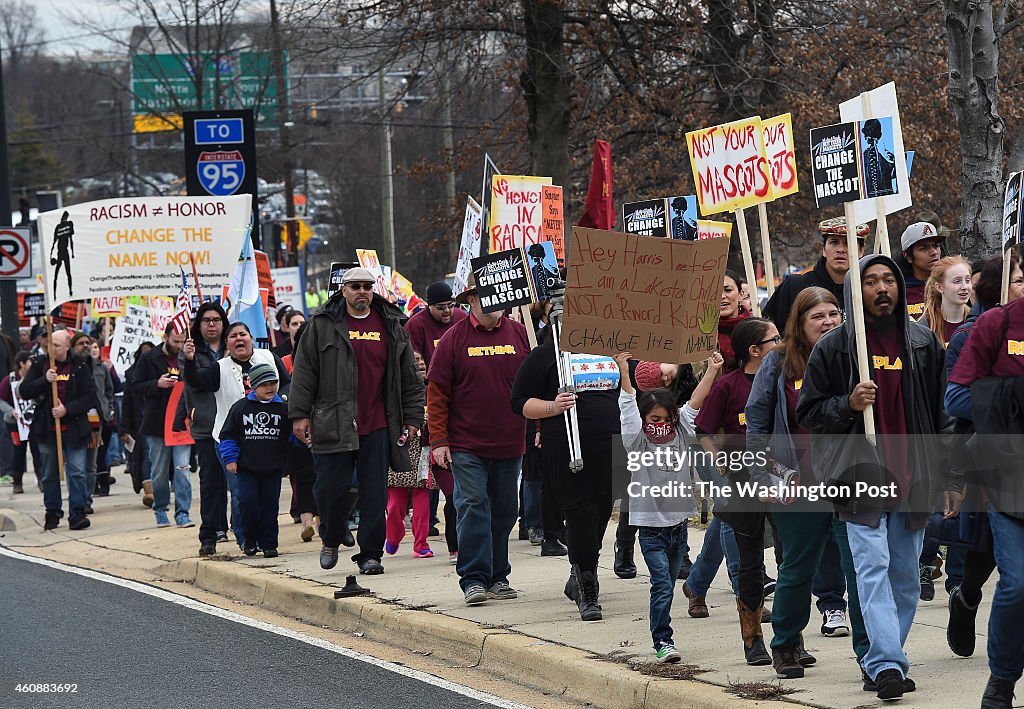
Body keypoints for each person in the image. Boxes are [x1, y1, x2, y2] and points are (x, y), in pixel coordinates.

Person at [797, 254, 959, 701]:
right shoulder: (835, 348)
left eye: (889, 279)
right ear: (855, 291)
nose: (882, 288)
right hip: (859, 476)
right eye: (870, 281)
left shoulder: (924, 344)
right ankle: (887, 663)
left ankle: (882, 657)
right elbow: (809, 413)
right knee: (872, 572)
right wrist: (846, 404)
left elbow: (944, 414)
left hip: (913, 474)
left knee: (905, 579)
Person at [744, 287, 862, 679]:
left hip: (848, 480)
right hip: (795, 481)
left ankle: (869, 652)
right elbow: (758, 423)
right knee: (797, 568)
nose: (828, 322)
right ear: (799, 322)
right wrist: (768, 475)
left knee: (859, 569)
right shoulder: (778, 364)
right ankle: (787, 644)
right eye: (818, 316)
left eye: (834, 314)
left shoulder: (853, 357)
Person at [289, 267, 423, 575]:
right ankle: (331, 537)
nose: (362, 291)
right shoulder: (322, 325)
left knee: (374, 493)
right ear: (343, 290)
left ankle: (371, 554)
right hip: (333, 420)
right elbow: (304, 372)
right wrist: (299, 415)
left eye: (367, 286)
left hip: (378, 423)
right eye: (355, 286)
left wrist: (413, 416)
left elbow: (410, 377)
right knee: (329, 489)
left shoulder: (391, 325)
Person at [945, 264, 1024, 709]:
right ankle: (1002, 682)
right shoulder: (997, 323)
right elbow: (955, 399)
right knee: (1015, 585)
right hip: (1006, 478)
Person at [427, 272, 529, 605]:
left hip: (510, 442)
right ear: (470, 300)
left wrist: (539, 428)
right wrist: (439, 440)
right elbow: (437, 393)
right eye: (486, 294)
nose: (495, 300)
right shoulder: (454, 340)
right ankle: (473, 577)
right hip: (466, 444)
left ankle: (498, 575)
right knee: (472, 506)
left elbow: (535, 385)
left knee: (504, 511)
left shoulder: (520, 334)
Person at [611, 350, 718, 662]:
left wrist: (711, 370)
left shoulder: (682, 433)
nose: (660, 425)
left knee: (668, 587)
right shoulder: (637, 439)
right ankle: (663, 641)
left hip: (679, 529)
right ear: (645, 421)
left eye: (666, 419)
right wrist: (623, 371)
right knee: (661, 586)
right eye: (654, 420)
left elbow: (695, 404)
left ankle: (663, 634)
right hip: (651, 532)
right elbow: (628, 406)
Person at [511, 327, 623, 620]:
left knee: (600, 515)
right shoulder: (546, 355)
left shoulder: (610, 349)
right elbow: (519, 402)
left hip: (611, 447)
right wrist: (553, 406)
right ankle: (588, 587)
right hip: (569, 451)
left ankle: (580, 571)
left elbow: (631, 390)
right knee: (581, 515)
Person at [694, 317, 781, 666]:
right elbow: (702, 428)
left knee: (789, 561)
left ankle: (791, 638)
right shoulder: (729, 386)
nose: (782, 343)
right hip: (743, 485)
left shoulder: (783, 382)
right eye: (775, 339)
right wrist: (720, 462)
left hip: (782, 482)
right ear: (754, 350)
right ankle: (753, 638)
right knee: (750, 564)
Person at [183, 321, 290, 549]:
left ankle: (267, 541)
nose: (239, 339)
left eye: (243, 334)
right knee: (243, 494)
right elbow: (195, 382)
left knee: (267, 496)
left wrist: (281, 401)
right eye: (233, 336)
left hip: (266, 440)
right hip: (231, 442)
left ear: (251, 338)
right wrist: (190, 361)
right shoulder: (218, 367)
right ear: (227, 343)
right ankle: (246, 539)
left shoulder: (268, 358)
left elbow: (287, 385)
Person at [916, 256, 972, 601]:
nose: (964, 287)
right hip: (932, 429)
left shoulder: (981, 326)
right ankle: (924, 563)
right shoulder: (922, 331)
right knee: (934, 503)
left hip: (966, 427)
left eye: (967, 280)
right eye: (956, 281)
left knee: (964, 503)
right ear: (939, 287)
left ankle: (958, 580)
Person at [405, 280, 468, 543]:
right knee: (428, 474)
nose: (447, 312)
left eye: (450, 306)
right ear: (428, 306)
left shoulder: (461, 318)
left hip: (459, 399)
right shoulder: (416, 326)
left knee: (458, 489)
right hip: (428, 398)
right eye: (440, 307)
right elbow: (411, 365)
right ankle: (426, 518)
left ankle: (456, 537)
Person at [18, 330, 97, 530]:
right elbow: (24, 391)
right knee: (50, 474)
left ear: (67, 346)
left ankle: (77, 513)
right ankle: (52, 512)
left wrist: (67, 409)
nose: (51, 348)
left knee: (77, 472)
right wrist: (44, 380)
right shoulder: (39, 364)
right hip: (48, 430)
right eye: (50, 344)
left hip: (74, 429)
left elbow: (90, 397)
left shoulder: (79, 365)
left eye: (57, 345)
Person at [218, 363, 291, 558]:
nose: (270, 388)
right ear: (254, 385)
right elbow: (228, 436)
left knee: (270, 507)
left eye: (273, 383)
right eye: (264, 384)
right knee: (248, 503)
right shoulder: (241, 407)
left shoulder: (283, 409)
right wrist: (230, 459)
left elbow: (291, 437)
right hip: (247, 468)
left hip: (273, 468)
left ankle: (269, 543)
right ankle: (249, 540)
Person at [179, 302, 232, 556]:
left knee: (239, 483)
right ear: (198, 326)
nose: (212, 324)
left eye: (216, 320)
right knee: (211, 483)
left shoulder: (234, 345)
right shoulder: (190, 351)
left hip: (233, 425)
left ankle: (243, 530)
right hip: (206, 426)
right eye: (206, 320)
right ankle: (209, 535)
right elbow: (194, 382)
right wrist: (190, 361)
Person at [134, 324, 194, 529]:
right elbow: (135, 386)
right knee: (159, 471)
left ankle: (183, 512)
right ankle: (160, 508)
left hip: (182, 423)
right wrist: (156, 384)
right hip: (157, 423)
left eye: (181, 341)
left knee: (182, 469)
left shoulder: (189, 356)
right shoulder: (149, 358)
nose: (178, 345)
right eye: (175, 341)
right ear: (165, 337)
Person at [762, 217, 869, 332]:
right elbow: (767, 336)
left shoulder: (868, 291)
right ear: (823, 249)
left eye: (848, 243)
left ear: (861, 251)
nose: (840, 249)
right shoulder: (795, 287)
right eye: (834, 242)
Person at [385, 351, 435, 558]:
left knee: (423, 499)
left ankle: (421, 544)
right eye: (416, 362)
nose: (421, 364)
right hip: (400, 450)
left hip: (424, 451)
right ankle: (394, 534)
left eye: (422, 360)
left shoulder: (433, 388)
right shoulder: (395, 390)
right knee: (396, 503)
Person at [281, 322, 319, 544]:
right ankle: (310, 523)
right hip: (301, 431)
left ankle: (313, 522)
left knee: (315, 478)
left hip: (321, 429)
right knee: (307, 477)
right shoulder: (296, 368)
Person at [120, 341, 156, 506]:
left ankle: (159, 487)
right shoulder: (131, 375)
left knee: (158, 458)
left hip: (160, 422)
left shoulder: (161, 372)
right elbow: (127, 404)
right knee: (146, 456)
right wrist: (124, 429)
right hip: (140, 425)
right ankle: (150, 492)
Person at [0, 352, 35, 494]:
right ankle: (17, 482)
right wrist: (11, 411)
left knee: (37, 451)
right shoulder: (9, 379)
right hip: (14, 424)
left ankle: (41, 480)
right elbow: (1, 400)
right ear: (22, 363)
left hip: (32, 421)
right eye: (30, 361)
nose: (32, 364)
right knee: (18, 452)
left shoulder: (34, 378)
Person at [896, 221, 945, 317]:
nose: (934, 252)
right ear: (908, 256)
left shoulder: (951, 284)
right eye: (923, 248)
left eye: (936, 246)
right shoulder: (899, 291)